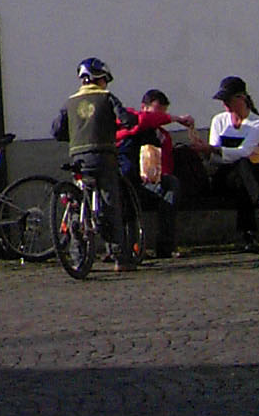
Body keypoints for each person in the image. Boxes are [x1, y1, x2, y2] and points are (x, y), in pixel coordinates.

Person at [51, 57, 136, 272]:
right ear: (101, 79)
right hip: (103, 155)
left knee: (77, 203)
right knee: (110, 203)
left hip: (78, 156)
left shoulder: (69, 101)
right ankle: (120, 258)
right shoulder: (107, 97)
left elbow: (56, 131)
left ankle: (78, 256)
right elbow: (125, 119)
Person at [206, 76, 259, 250]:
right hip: (225, 178)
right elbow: (214, 157)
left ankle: (248, 236)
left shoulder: (256, 123)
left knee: (244, 175)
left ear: (241, 98)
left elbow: (246, 151)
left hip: (249, 177)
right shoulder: (219, 121)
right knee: (243, 167)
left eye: (228, 100)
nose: (225, 105)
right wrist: (219, 152)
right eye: (223, 101)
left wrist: (220, 151)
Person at [122, 88, 185, 262]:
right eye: (157, 111)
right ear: (145, 107)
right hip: (129, 181)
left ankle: (165, 246)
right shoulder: (133, 125)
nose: (160, 116)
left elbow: (166, 167)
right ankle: (127, 247)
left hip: (151, 183)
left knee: (171, 185)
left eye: (163, 112)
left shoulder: (162, 136)